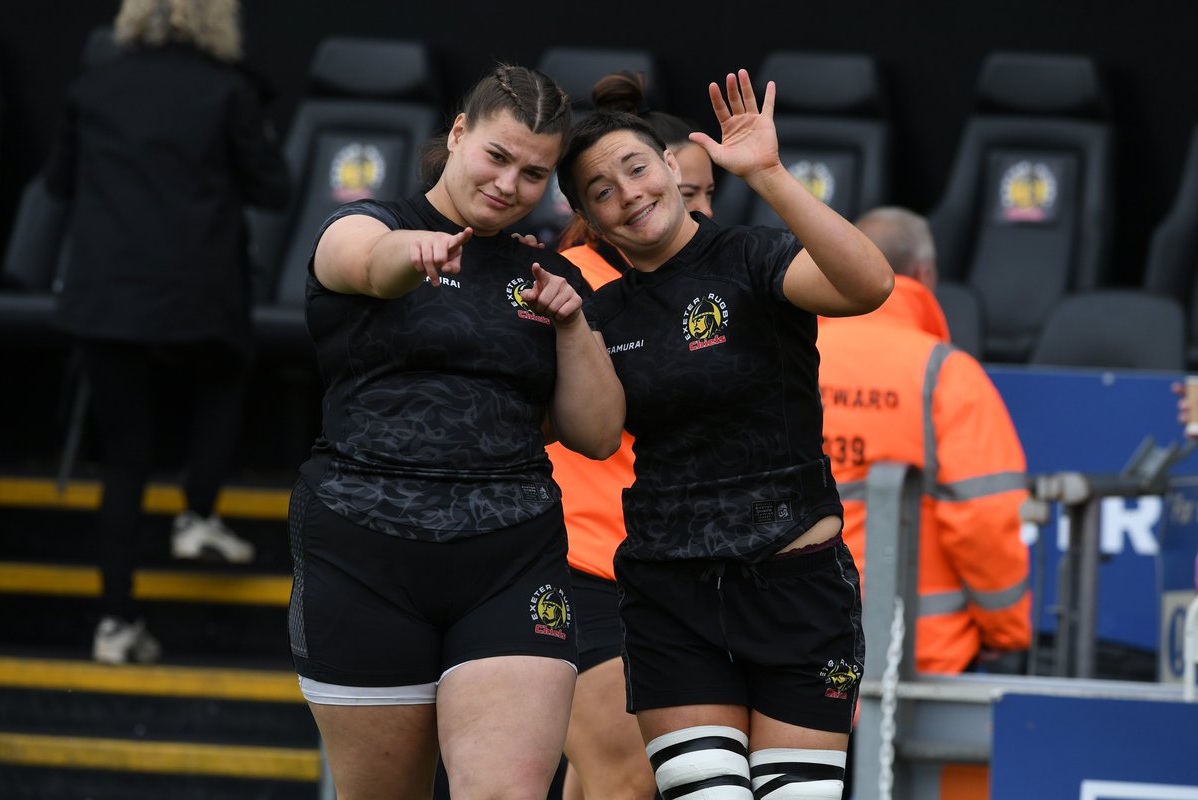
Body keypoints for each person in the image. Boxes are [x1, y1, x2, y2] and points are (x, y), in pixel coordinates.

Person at [287, 63, 625, 799]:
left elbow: (597, 436)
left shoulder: (547, 273)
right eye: (497, 157)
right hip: (365, 549)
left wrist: (572, 323)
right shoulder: (370, 225)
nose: (510, 184)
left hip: (511, 557)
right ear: (459, 133)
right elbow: (365, 266)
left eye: (534, 174)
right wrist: (410, 257)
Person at [556, 69, 893, 800]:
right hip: (671, 599)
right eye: (601, 190)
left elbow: (870, 285)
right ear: (589, 216)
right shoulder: (601, 314)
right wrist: (563, 323)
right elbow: (594, 433)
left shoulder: (754, 257)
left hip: (797, 590)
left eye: (636, 168)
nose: (628, 193)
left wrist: (769, 173)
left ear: (675, 168)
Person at [42, 0, 290, 665]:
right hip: (198, 293)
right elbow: (274, 190)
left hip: (106, 297)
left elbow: (57, 182)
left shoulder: (93, 87)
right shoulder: (227, 90)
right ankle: (198, 514)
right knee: (226, 374)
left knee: (124, 461)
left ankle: (116, 623)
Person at [548, 70, 713, 800]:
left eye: (708, 193)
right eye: (690, 189)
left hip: (673, 567)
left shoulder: (715, 287)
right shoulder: (567, 284)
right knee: (623, 777)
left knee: (598, 779)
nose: (696, 207)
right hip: (588, 564)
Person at [818, 206, 1032, 674]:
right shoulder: (945, 374)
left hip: (786, 650)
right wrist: (1006, 630)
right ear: (926, 273)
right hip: (916, 657)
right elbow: (986, 518)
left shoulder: (790, 356)